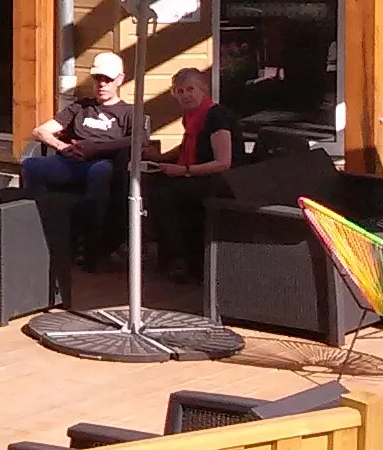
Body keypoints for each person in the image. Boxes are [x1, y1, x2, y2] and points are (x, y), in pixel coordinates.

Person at [21, 52, 139, 266]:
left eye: (108, 79)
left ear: (120, 79)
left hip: (102, 163)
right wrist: (63, 147)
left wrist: (97, 148)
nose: (102, 84)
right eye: (98, 78)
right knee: (31, 166)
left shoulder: (129, 112)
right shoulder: (81, 107)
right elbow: (40, 131)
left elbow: (141, 139)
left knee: (101, 172)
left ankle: (91, 245)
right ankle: (38, 228)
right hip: (70, 160)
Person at [144, 66, 240, 283]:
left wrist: (184, 171)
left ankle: (180, 260)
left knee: (167, 193)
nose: (185, 95)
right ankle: (169, 254)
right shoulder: (192, 116)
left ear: (203, 90)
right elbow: (188, 148)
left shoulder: (216, 116)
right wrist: (160, 158)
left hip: (229, 180)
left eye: (190, 89)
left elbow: (224, 162)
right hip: (203, 174)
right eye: (180, 91)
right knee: (155, 182)